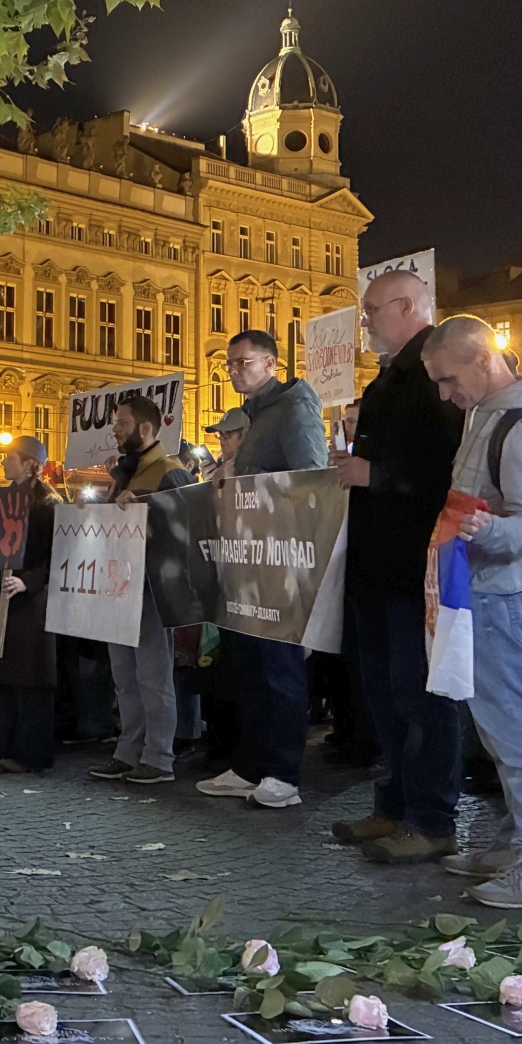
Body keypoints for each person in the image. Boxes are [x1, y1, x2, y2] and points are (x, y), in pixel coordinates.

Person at [420, 314, 522, 908]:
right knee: (501, 724)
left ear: (484, 360)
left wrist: (483, 527)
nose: (444, 393)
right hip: (483, 592)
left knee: (514, 725)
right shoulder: (492, 416)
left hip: (500, 593)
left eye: (447, 379)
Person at [330, 270, 467, 864]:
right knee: (386, 693)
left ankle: (431, 818)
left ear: (408, 306)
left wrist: (375, 475)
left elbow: (448, 476)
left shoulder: (435, 377)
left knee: (420, 695)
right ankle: (395, 805)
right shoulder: (390, 378)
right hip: (378, 562)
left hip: (414, 565)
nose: (366, 324)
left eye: (373, 312)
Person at [196, 330, 326, 810]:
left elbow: (311, 475)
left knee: (279, 667)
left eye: (242, 362)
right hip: (247, 557)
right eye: (229, 364)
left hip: (279, 559)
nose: (232, 370)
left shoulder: (292, 409)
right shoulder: (250, 416)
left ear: (270, 364)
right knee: (247, 666)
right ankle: (250, 764)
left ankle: (284, 772)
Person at [91, 396, 195, 785]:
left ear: (146, 428)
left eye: (121, 422)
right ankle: (128, 750)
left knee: (153, 676)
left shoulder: (169, 472)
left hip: (151, 592)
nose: (115, 430)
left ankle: (159, 757)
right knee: (125, 677)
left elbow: (185, 532)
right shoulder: (123, 475)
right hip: (120, 589)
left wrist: (144, 512)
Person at [0, 437, 61, 773]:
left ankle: (31, 753)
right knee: (3, 675)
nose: (3, 463)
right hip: (2, 597)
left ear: (30, 463)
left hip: (31, 602)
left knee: (29, 677)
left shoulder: (49, 502)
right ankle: (8, 749)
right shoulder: (6, 500)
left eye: (9, 457)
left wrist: (29, 581)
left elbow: (58, 553)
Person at [203, 407, 249, 481]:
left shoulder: (257, 470)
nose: (221, 438)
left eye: (227, 433)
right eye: (220, 433)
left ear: (245, 434)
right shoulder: (219, 467)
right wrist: (209, 484)